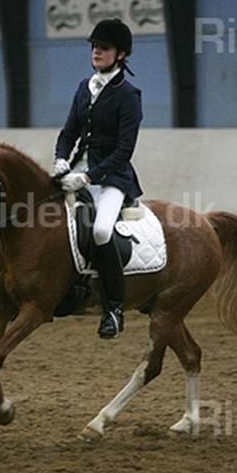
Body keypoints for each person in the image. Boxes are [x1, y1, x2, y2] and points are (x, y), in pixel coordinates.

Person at [51, 18, 143, 340]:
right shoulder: (83, 87)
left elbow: (124, 151)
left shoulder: (128, 95)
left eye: (103, 48)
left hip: (113, 179)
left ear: (120, 54)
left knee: (102, 230)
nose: (96, 52)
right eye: (94, 47)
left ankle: (114, 310)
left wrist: (89, 176)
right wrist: (62, 159)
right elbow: (68, 133)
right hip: (77, 171)